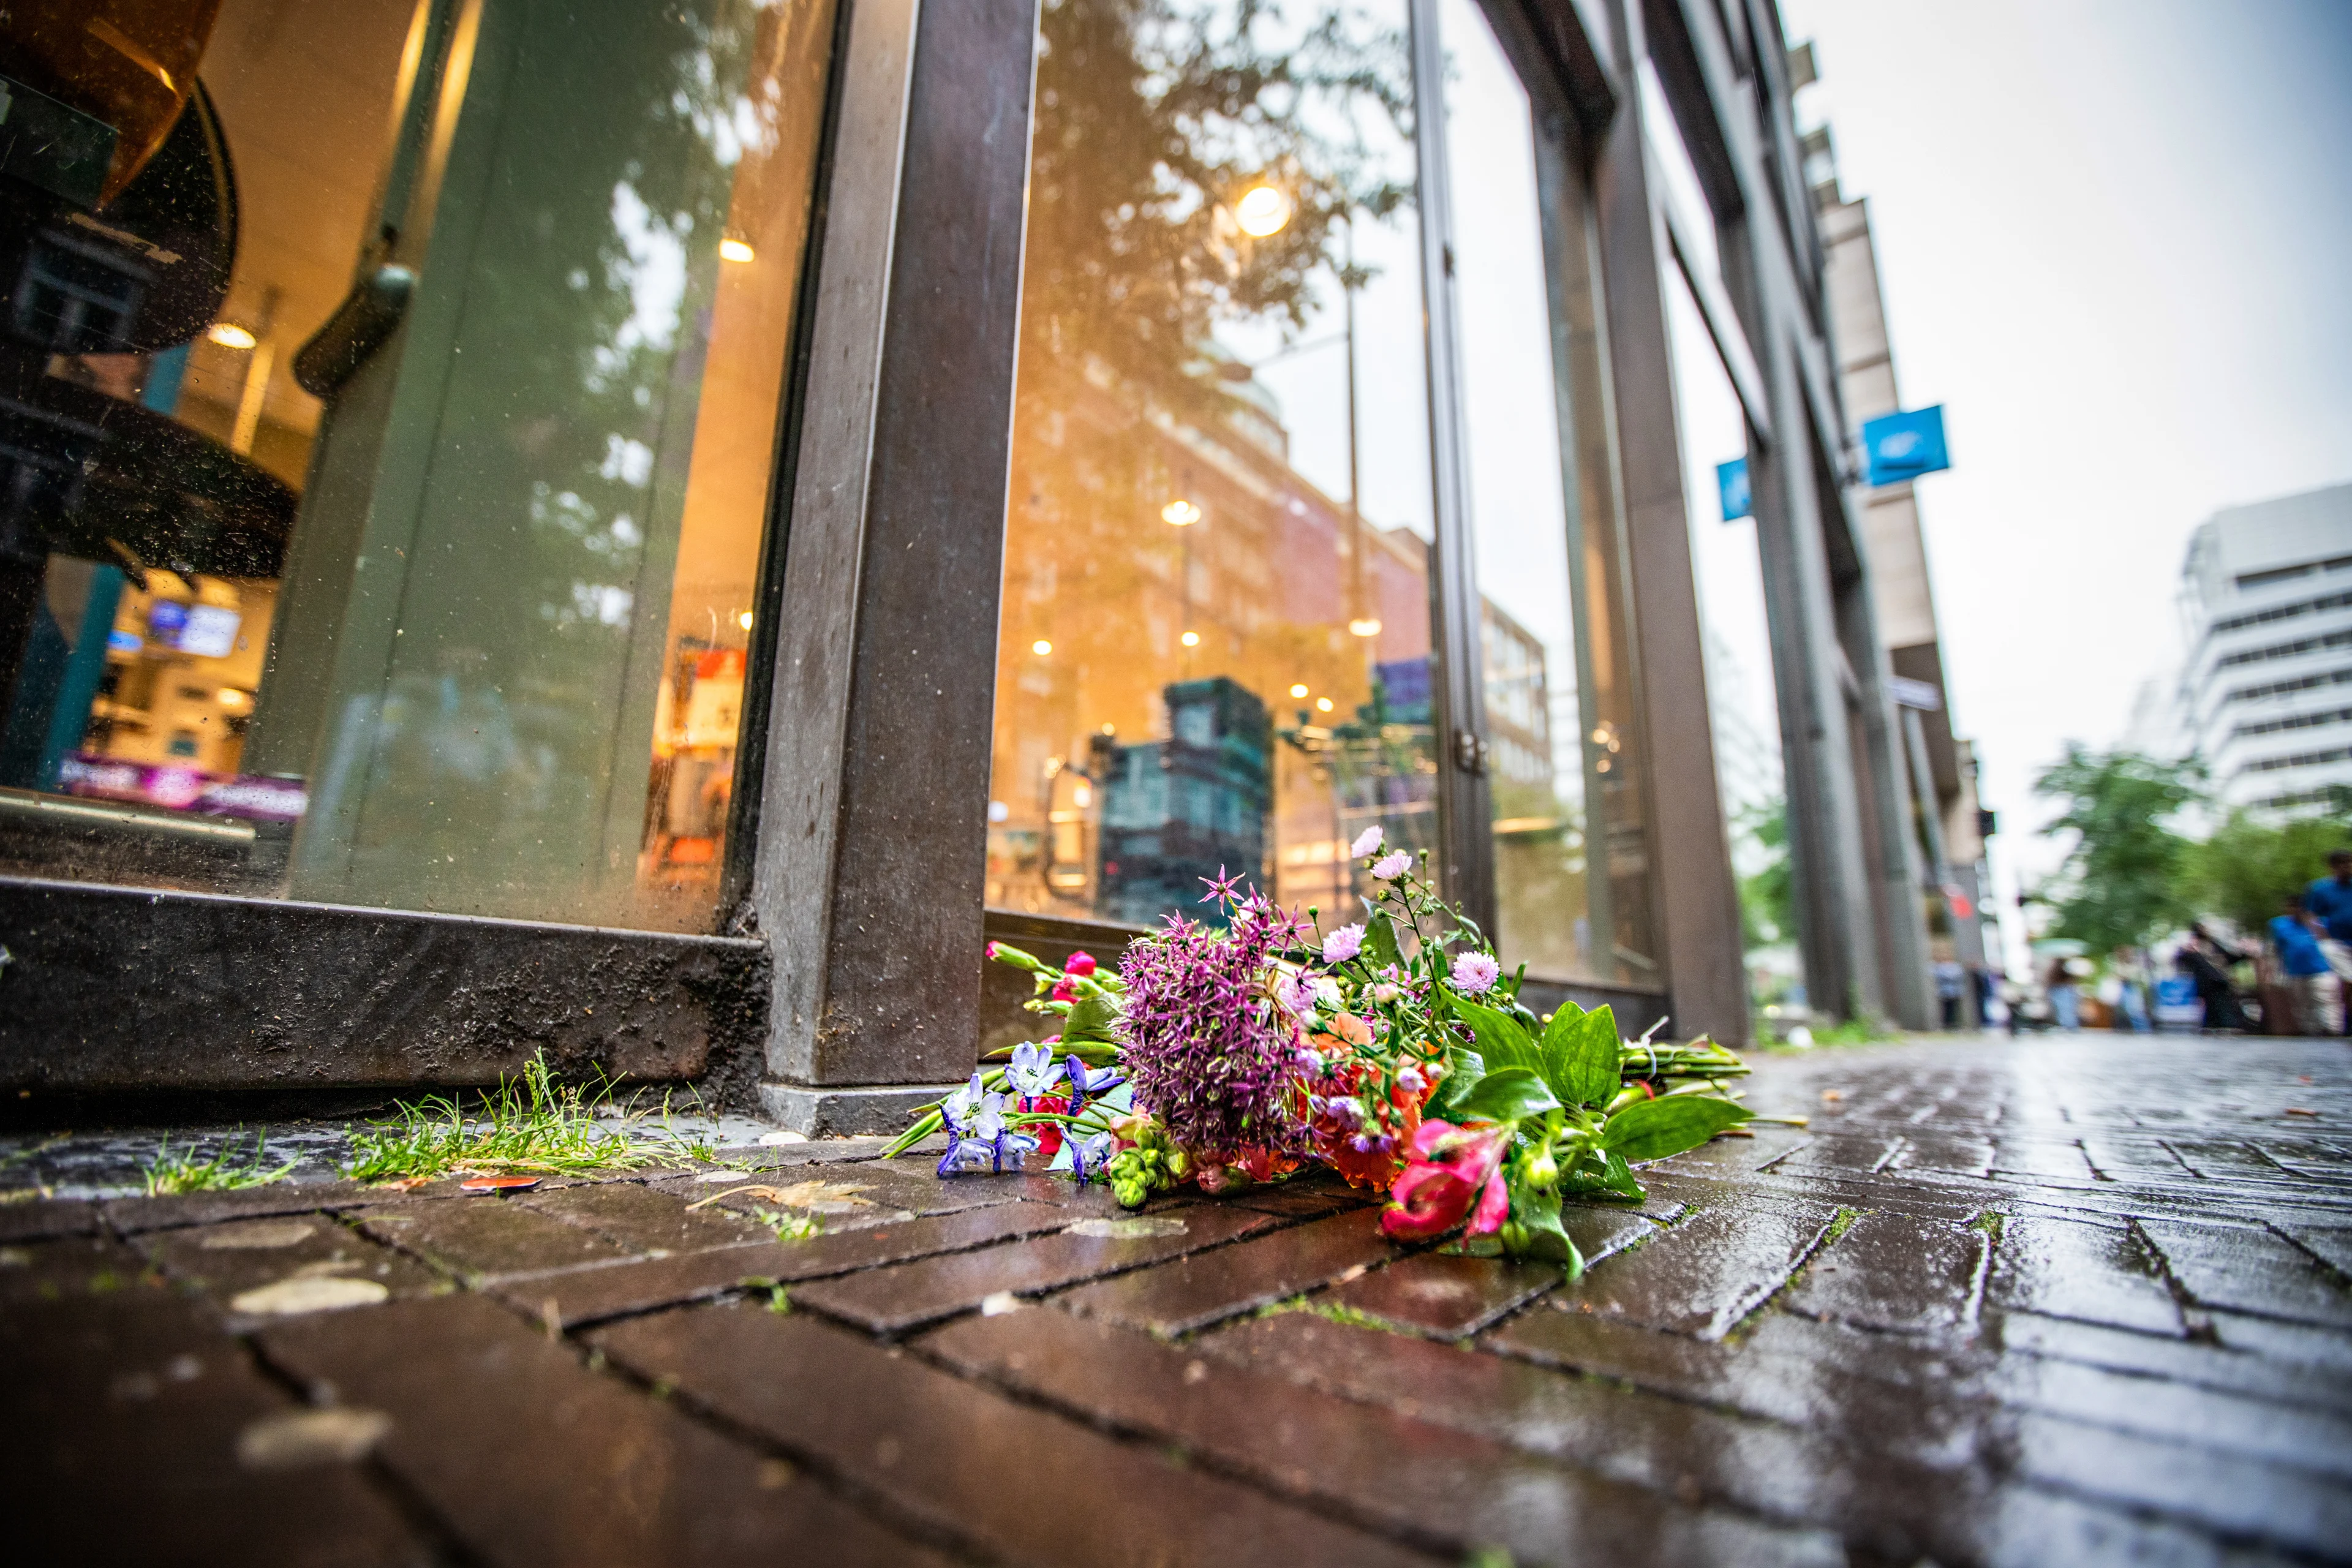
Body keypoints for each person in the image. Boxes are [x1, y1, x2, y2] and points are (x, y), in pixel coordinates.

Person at [2268, 895, 2343, 1036]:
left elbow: (2332, 943)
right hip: (2296, 972)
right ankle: (2311, 1034)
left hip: (2322, 970)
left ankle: (2332, 1031)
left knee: (2326, 1001)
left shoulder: (2320, 923)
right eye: (2292, 907)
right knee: (2303, 1006)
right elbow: (2277, 949)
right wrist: (2275, 970)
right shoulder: (2279, 925)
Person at [2304, 850, 2352, 1036]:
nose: (2348, 867)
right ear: (2333, 867)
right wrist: (2321, 935)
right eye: (2343, 863)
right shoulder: (2320, 889)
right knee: (2348, 980)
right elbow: (2311, 915)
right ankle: (2348, 1020)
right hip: (2336, 943)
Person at [2178, 923, 2248, 1032]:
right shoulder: (2194, 946)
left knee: (2220, 1005)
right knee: (2215, 1006)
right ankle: (2221, 1025)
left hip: (2218, 982)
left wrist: (2243, 955)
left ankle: (2221, 1025)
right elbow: (2183, 959)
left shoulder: (2211, 944)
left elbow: (2229, 958)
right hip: (2209, 982)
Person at [2046, 957, 2081, 1032]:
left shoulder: (2053, 970)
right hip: (2063, 991)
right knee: (2067, 1011)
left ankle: (2066, 1026)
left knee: (2063, 1011)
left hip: (2058, 991)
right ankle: (2069, 1026)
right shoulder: (2063, 970)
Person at [1933, 958, 1966, 1030]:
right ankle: (1947, 1024)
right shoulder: (1940, 968)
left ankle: (1955, 1023)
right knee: (1946, 1009)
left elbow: (1958, 976)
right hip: (1945, 993)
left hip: (1955, 992)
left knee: (1954, 1009)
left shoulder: (1956, 967)